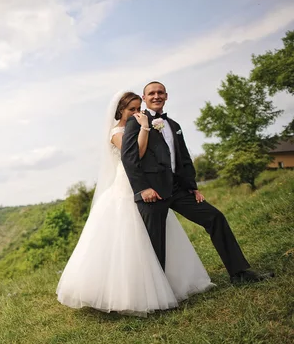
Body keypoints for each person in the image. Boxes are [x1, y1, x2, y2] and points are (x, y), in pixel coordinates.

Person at [56, 91, 214, 316]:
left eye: (139, 108)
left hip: (150, 188)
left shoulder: (140, 125)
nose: (137, 113)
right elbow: (136, 154)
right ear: (120, 110)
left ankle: (166, 284)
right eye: (132, 109)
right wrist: (146, 128)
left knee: (157, 237)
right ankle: (128, 293)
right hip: (125, 189)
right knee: (128, 242)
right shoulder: (117, 132)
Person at [121, 81, 274, 284]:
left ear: (166, 96)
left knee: (215, 217)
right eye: (152, 93)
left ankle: (240, 273)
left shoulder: (174, 125)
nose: (156, 96)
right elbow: (129, 158)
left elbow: (183, 158)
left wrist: (192, 187)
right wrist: (142, 189)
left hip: (177, 189)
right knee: (155, 244)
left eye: (160, 92)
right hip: (152, 193)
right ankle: (156, 295)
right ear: (145, 97)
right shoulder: (136, 121)